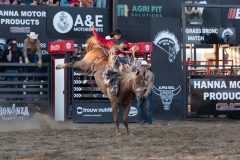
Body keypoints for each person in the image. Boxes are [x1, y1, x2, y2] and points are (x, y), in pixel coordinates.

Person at [90, 25, 131, 95]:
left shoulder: (124, 42)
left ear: (120, 35)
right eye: (116, 34)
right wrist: (94, 30)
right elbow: (99, 39)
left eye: (119, 34)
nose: (118, 36)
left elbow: (125, 46)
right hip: (112, 61)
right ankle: (113, 85)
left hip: (122, 59)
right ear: (114, 35)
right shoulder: (109, 42)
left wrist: (118, 48)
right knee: (110, 70)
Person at [137, 60, 154, 125]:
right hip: (141, 91)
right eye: (142, 66)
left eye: (144, 66)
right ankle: (143, 119)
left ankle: (149, 121)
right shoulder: (139, 73)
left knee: (148, 106)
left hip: (147, 91)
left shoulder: (150, 74)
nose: (143, 67)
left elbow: (150, 84)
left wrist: (147, 92)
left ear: (147, 67)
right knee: (139, 106)